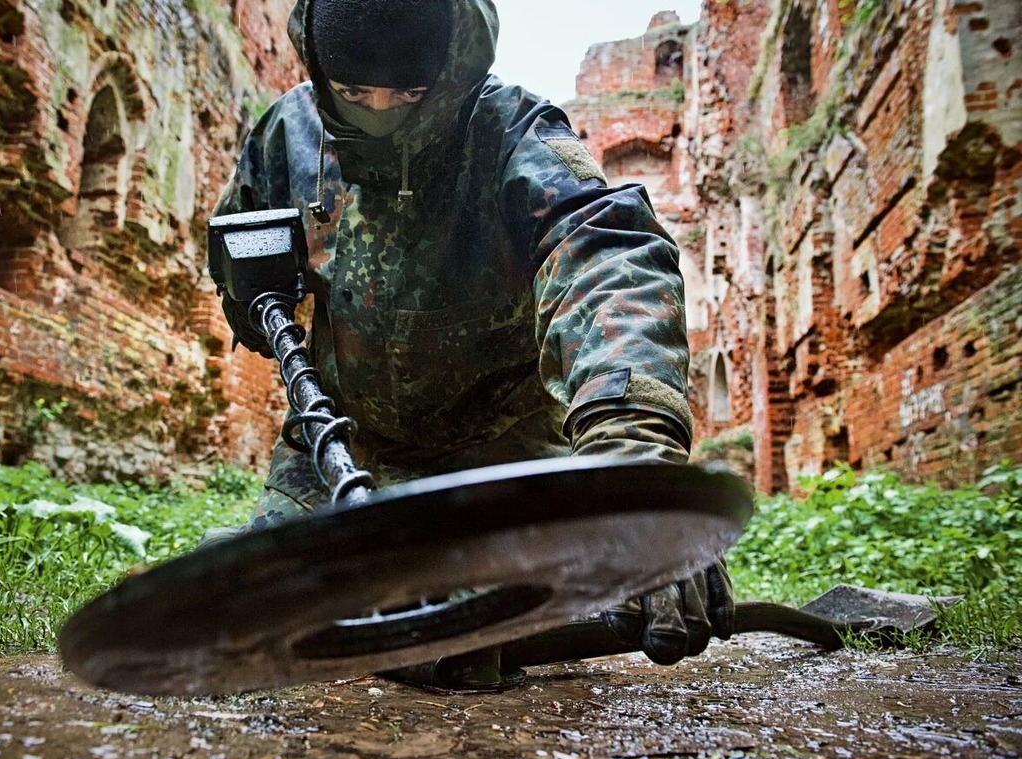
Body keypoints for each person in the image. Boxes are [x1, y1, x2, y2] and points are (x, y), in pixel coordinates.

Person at [210, 0, 732, 687]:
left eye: (408, 94)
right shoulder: (288, 134)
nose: (381, 113)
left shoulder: (514, 136)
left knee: (488, 626)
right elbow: (242, 252)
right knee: (252, 615)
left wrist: (634, 465)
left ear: (450, 69)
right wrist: (253, 298)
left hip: (503, 465)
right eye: (354, 93)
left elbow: (607, 259)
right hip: (337, 453)